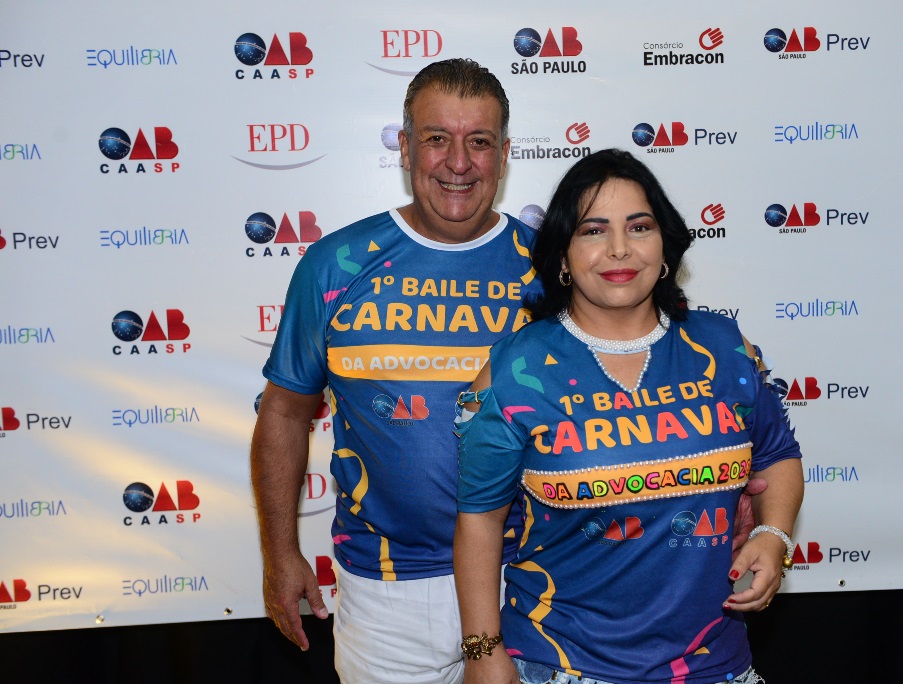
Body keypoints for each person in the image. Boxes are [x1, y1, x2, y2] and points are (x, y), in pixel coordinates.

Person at [453, 149, 804, 684]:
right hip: (562, 664)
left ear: (664, 246)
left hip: (716, 664)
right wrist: (481, 652)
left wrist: (774, 533)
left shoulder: (724, 347)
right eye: (593, 231)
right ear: (563, 255)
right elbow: (480, 518)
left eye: (639, 227)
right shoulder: (514, 371)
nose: (619, 248)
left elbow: (778, 455)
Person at [250, 58, 541, 684]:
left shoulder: (550, 271)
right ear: (405, 147)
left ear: (504, 155)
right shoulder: (336, 264)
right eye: (437, 138)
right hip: (384, 597)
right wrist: (280, 554)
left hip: (529, 580)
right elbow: (285, 413)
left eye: (479, 142)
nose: (458, 163)